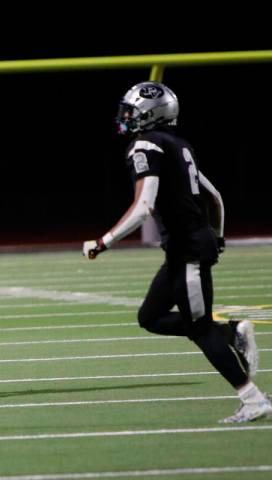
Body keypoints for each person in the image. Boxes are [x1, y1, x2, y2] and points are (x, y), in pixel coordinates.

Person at [82, 81, 270, 423]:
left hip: (187, 250)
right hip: (186, 248)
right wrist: (220, 237)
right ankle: (231, 331)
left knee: (199, 330)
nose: (125, 117)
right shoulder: (179, 145)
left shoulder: (145, 145)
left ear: (151, 114)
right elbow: (214, 196)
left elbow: (143, 207)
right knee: (149, 317)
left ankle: (253, 398)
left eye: (132, 111)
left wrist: (103, 241)